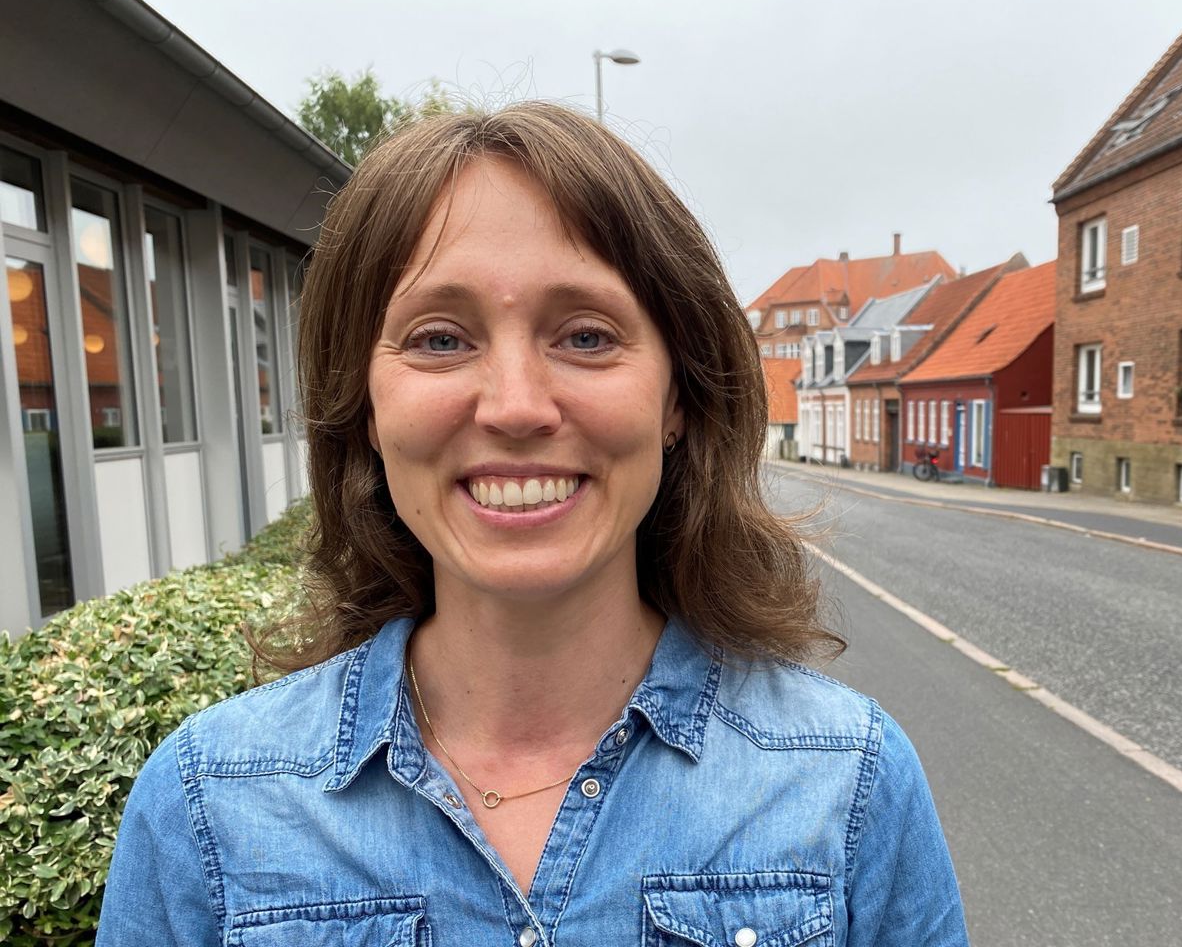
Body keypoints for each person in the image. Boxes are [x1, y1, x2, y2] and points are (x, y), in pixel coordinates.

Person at [97, 101, 968, 946]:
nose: (515, 407)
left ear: (678, 397)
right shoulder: (207, 807)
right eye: (441, 339)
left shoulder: (848, 783)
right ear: (362, 405)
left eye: (586, 337)